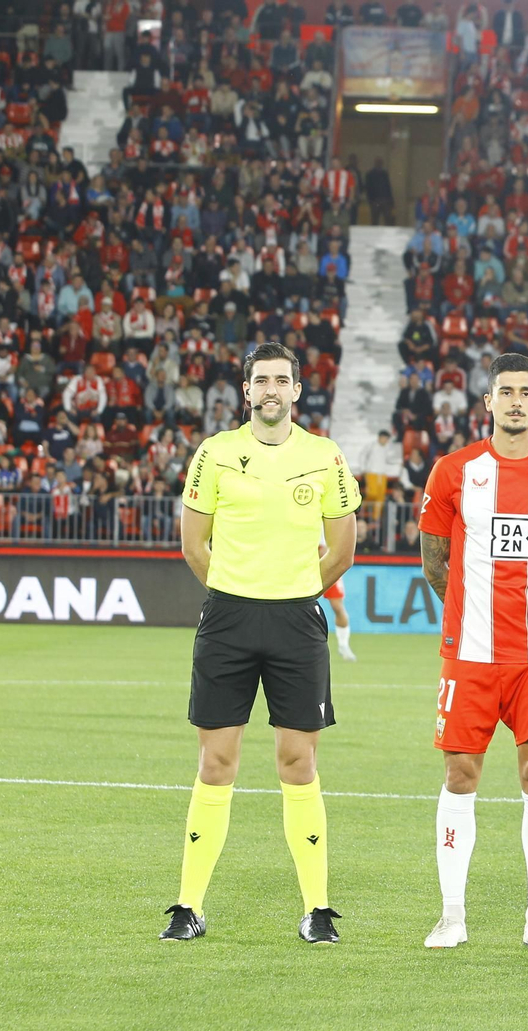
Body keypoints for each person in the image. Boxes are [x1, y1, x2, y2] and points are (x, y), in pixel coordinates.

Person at [161, 342, 362, 944]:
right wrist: (237, 591)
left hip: (297, 622)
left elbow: (344, 547)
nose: (271, 390)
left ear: (297, 391)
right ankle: (187, 907)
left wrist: (298, 592)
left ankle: (317, 908)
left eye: (282, 380)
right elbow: (194, 546)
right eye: (261, 381)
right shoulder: (215, 454)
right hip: (227, 619)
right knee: (216, 762)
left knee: (297, 763)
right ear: (245, 390)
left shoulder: (324, 456)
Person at [417, 353, 528, 951]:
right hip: (468, 655)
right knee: (459, 774)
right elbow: (434, 561)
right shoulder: (452, 471)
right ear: (488, 402)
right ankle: (451, 916)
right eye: (506, 392)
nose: (517, 401)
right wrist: (468, 613)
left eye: (527, 393)